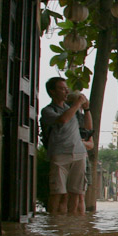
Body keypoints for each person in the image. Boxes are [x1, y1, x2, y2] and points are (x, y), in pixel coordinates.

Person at [40, 78, 92, 215]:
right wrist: (77, 104)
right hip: (60, 154)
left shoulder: (72, 110)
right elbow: (63, 119)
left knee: (77, 193)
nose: (66, 91)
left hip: (79, 154)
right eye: (62, 88)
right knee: (58, 193)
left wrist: (86, 109)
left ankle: (73, 226)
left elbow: (87, 128)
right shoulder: (47, 111)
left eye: (66, 88)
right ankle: (55, 225)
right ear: (52, 91)